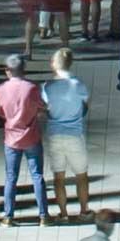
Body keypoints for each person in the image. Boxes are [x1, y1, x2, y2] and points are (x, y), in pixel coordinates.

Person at [0, 58, 50, 224]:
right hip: (31, 136)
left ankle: (8, 216)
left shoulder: (1, 89)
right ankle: (43, 216)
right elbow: (41, 106)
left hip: (11, 138)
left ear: (8, 70)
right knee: (37, 175)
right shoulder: (31, 88)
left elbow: (1, 112)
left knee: (11, 177)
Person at [43, 47, 94, 219]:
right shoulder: (78, 85)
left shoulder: (47, 87)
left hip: (55, 134)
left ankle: (63, 213)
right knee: (81, 175)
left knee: (59, 177)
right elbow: (85, 107)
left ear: (53, 65)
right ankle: (84, 210)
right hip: (75, 134)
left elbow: (45, 109)